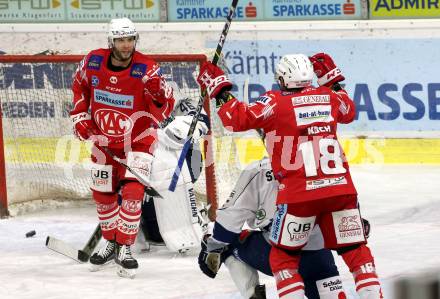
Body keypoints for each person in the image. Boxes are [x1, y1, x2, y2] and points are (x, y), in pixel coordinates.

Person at [197, 53, 383, 298]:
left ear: (282, 79)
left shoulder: (275, 102)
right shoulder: (328, 97)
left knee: (283, 257)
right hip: (340, 190)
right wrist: (331, 79)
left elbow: (237, 118)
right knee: (356, 251)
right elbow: (348, 110)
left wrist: (219, 88)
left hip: (300, 196)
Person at [70, 17, 175, 278]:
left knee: (133, 191)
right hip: (103, 140)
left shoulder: (148, 69)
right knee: (103, 194)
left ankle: (125, 248)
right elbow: (79, 87)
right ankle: (110, 242)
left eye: (130, 39)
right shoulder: (92, 62)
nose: (126, 45)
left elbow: (166, 106)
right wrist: (80, 117)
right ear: (111, 41)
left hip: (139, 139)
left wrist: (160, 94)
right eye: (120, 40)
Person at [198, 157, 351, 299]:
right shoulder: (325, 164)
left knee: (228, 244)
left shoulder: (260, 170)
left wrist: (212, 248)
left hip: (280, 255)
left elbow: (227, 226)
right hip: (321, 258)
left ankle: (254, 297)